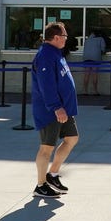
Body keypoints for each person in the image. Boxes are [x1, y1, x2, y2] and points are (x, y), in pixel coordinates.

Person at [31, 22, 79, 198]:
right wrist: (56, 107)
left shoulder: (56, 54)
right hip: (50, 110)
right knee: (46, 148)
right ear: (57, 37)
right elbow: (47, 85)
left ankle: (52, 174)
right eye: (65, 36)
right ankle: (40, 185)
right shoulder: (45, 55)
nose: (67, 39)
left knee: (72, 138)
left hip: (64, 109)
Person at [80, 29, 107, 96]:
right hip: (95, 58)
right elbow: (103, 49)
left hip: (86, 59)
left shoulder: (87, 40)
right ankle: (95, 91)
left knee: (86, 74)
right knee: (94, 74)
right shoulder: (100, 39)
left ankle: (85, 91)